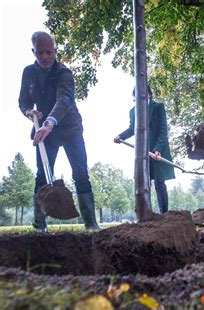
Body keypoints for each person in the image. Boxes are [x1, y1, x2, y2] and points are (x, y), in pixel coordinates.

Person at [19, 31, 100, 231]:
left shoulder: (64, 72)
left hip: (70, 129)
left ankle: (91, 224)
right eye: (40, 53)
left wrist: (49, 122)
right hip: (46, 133)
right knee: (42, 176)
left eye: (49, 52)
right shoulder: (28, 72)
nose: (45, 57)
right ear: (33, 52)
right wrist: (29, 112)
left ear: (55, 51)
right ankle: (39, 225)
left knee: (81, 173)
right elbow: (23, 101)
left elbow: (65, 98)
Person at [114, 86, 175, 214]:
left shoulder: (158, 107)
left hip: (157, 151)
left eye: (142, 94)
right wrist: (121, 136)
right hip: (141, 152)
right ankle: (145, 213)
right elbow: (132, 129)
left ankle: (164, 214)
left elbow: (163, 131)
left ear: (148, 94)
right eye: (136, 96)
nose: (139, 98)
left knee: (159, 182)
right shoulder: (133, 111)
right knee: (143, 182)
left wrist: (158, 149)